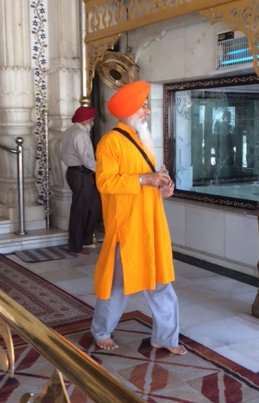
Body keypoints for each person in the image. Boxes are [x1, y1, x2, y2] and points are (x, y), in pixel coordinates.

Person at [91, 80, 186, 355]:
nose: (147, 111)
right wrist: (145, 179)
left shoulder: (143, 139)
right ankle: (101, 332)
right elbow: (105, 182)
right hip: (127, 226)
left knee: (160, 280)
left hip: (151, 223)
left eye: (146, 106)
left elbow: (151, 176)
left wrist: (163, 183)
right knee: (117, 285)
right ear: (127, 111)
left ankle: (165, 337)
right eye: (142, 106)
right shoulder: (110, 142)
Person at [60, 106, 100, 255]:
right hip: (80, 174)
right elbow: (86, 158)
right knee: (80, 210)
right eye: (92, 120)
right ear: (85, 120)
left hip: (77, 173)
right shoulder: (80, 134)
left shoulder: (70, 131)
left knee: (93, 206)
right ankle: (76, 246)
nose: (93, 123)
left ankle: (86, 240)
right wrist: (102, 170)